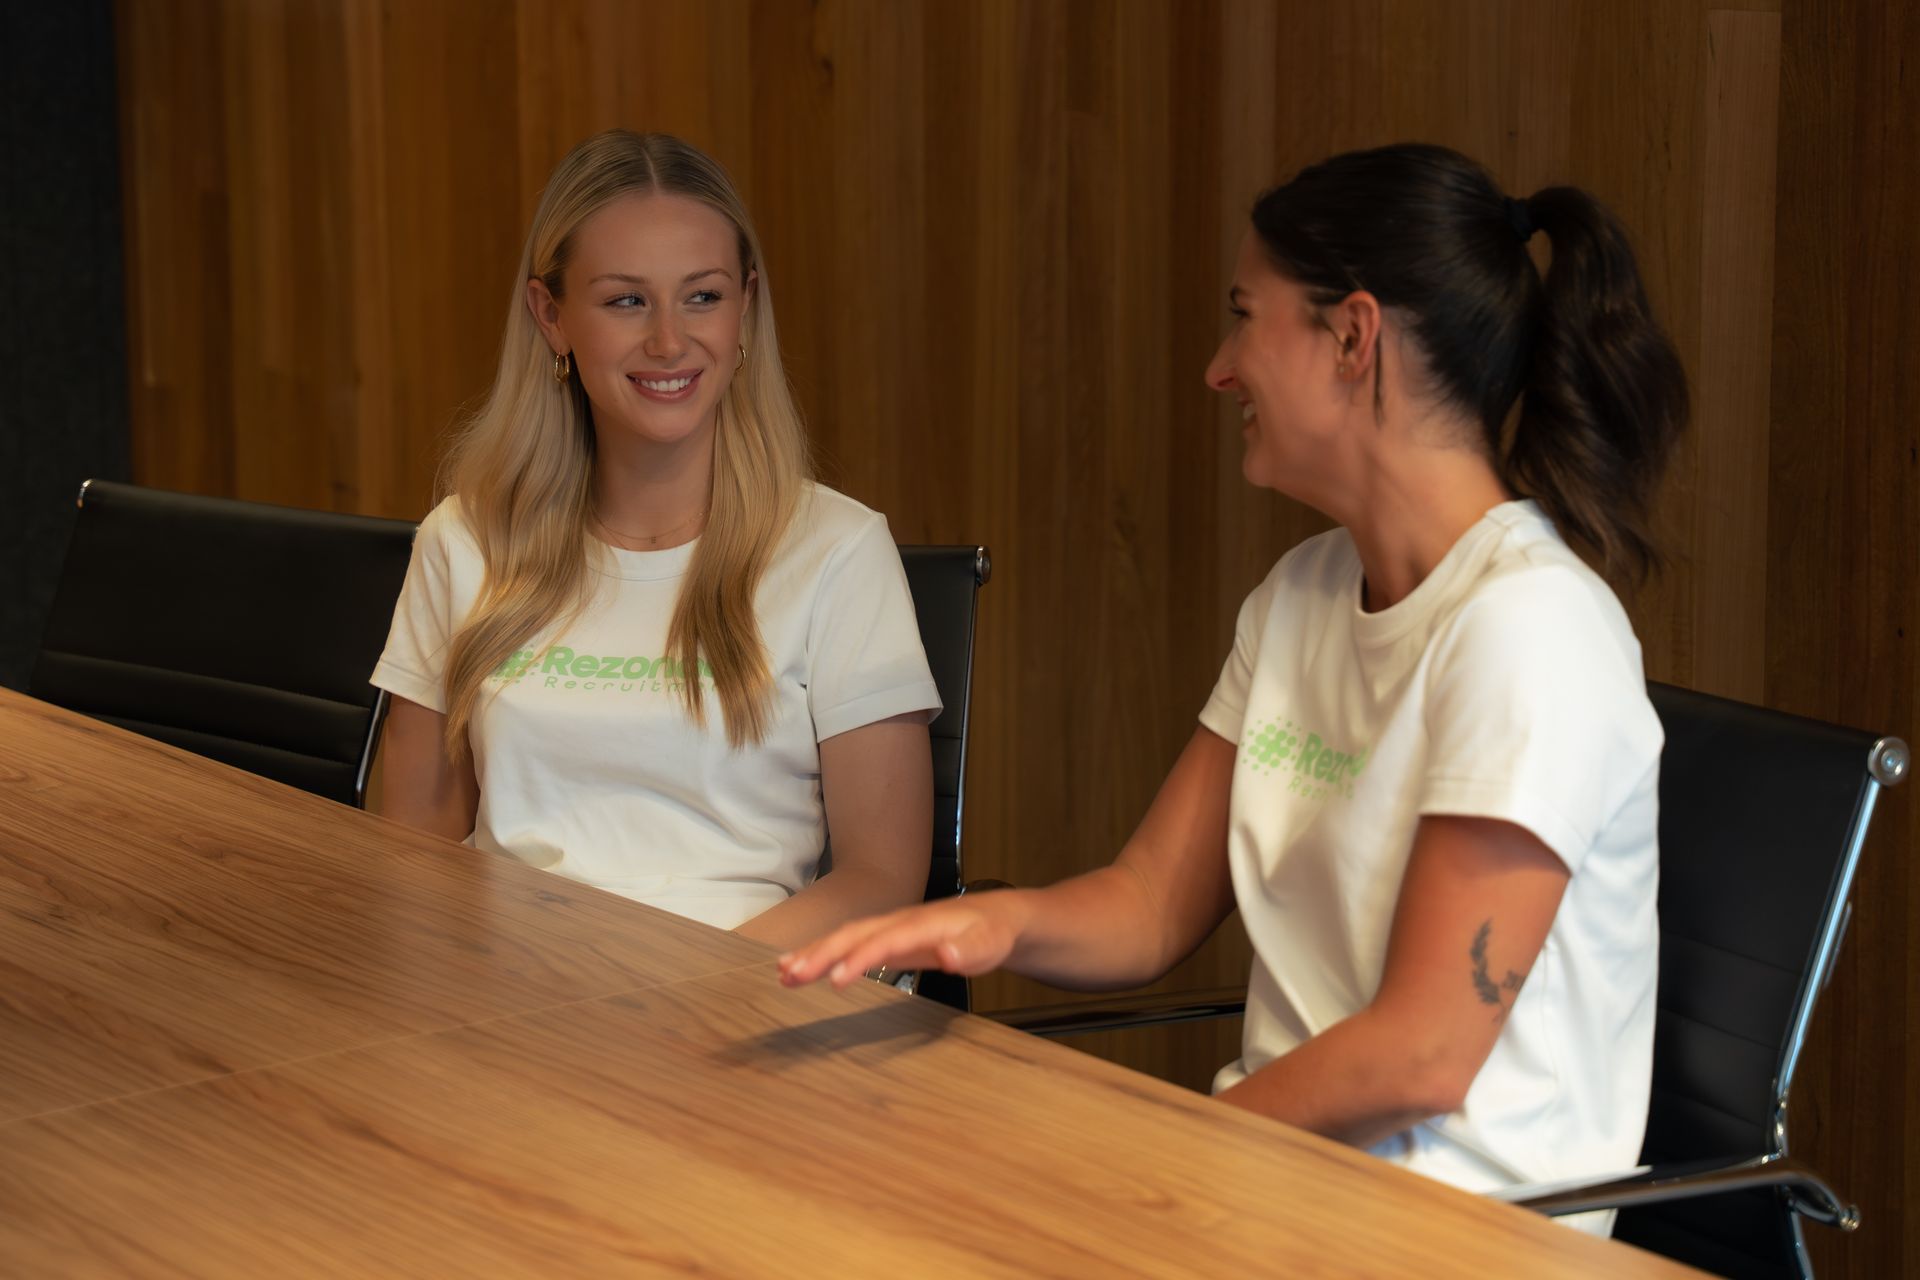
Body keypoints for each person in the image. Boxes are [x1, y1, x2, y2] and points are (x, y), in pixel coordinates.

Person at [780, 142, 1688, 1231]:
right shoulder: (1301, 594)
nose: (1218, 367)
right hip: (1282, 1186)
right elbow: (1152, 901)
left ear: (1352, 336)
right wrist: (993, 926)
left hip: (1460, 1232)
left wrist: (1180, 1153)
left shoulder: (1531, 627)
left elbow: (1425, 1050)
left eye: (1244, 316)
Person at [373, 130, 941, 950]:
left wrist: (684, 1002)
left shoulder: (841, 553)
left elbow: (879, 882)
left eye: (703, 296)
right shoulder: (462, 543)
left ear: (746, 306)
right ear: (551, 316)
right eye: (626, 300)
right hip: (504, 1014)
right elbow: (411, 858)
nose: (670, 342)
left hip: (740, 1015)